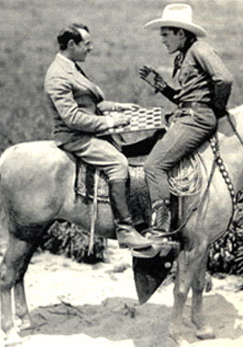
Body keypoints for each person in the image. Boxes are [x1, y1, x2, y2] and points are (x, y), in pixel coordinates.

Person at [44, 23, 152, 250]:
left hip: (88, 130)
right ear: (72, 44)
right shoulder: (58, 75)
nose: (90, 48)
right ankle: (125, 229)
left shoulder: (71, 67)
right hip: (74, 137)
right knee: (118, 164)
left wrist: (120, 107)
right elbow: (72, 117)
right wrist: (110, 122)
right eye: (87, 44)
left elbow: (90, 103)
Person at [139, 3, 233, 236]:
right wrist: (161, 87)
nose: (162, 39)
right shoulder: (184, 55)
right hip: (188, 115)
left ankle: (160, 228)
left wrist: (217, 109)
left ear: (181, 33)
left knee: (154, 166)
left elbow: (224, 79)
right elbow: (187, 99)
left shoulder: (200, 49)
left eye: (166, 34)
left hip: (196, 119)